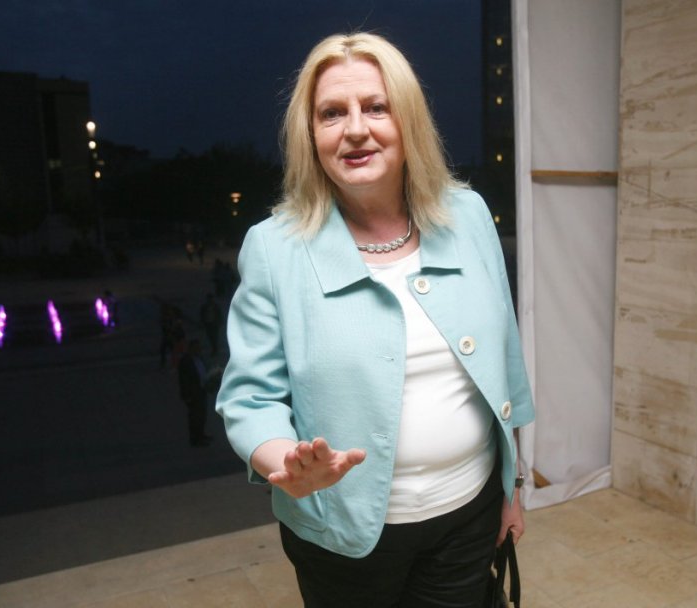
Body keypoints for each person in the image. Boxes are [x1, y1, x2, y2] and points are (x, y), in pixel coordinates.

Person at [215, 32, 534, 608]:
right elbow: (248, 398)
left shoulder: (468, 215)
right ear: (311, 135)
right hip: (343, 534)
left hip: (469, 514)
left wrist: (512, 485)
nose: (355, 129)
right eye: (332, 113)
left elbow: (504, 359)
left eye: (376, 107)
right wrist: (286, 463)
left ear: (409, 121)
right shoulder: (274, 248)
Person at [178, 339, 213, 446]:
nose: (199, 350)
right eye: (197, 348)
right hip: (193, 393)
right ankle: (195, 439)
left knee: (202, 415)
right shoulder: (185, 361)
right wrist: (186, 395)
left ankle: (201, 434)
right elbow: (183, 379)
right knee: (194, 417)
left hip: (202, 390)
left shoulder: (199, 358)